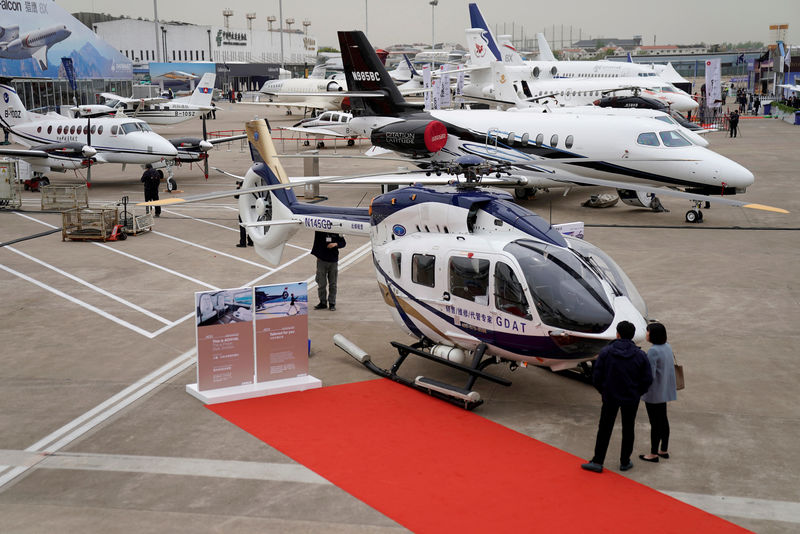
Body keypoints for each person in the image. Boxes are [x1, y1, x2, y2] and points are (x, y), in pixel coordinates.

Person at [581, 321, 652, 474]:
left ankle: (598, 461)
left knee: (605, 428)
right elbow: (647, 379)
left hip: (610, 396)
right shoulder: (640, 355)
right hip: (631, 397)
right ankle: (625, 461)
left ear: (617, 334)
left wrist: (604, 391)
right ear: (632, 335)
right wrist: (637, 392)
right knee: (628, 428)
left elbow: (597, 376)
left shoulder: (606, 352)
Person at [639, 322, 677, 463]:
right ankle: (663, 449)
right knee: (663, 420)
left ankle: (653, 453)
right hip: (665, 390)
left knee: (655, 423)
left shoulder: (653, 351)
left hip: (654, 393)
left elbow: (649, 375)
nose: (646, 334)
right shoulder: (667, 346)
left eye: (647, 331)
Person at [311, 231, 346, 311]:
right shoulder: (319, 232)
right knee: (321, 283)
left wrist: (335, 244)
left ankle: (332, 303)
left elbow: (343, 243)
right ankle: (322, 302)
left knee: (333, 284)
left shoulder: (336, 230)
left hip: (333, 261)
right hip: (321, 260)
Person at [233, 180, 253, 248]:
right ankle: (251, 241)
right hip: (251, 211)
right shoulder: (251, 191)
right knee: (251, 226)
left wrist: (238, 187)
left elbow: (236, 196)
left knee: (242, 227)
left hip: (244, 211)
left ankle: (243, 242)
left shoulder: (242, 192)